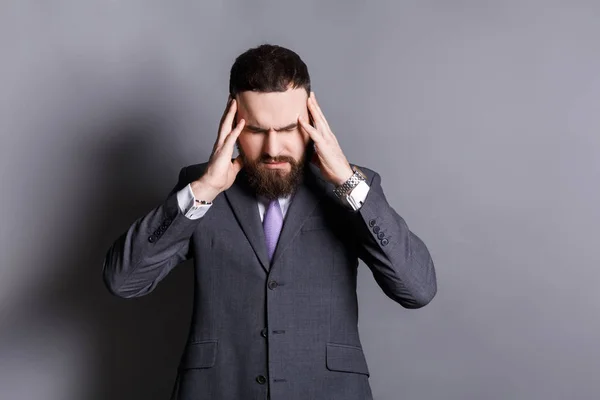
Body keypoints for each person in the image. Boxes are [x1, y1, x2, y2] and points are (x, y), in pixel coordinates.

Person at [103, 43, 437, 400]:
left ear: (311, 119)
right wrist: (203, 191)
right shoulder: (200, 189)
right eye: (258, 131)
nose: (273, 148)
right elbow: (125, 281)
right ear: (233, 122)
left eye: (289, 129)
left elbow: (417, 289)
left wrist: (346, 181)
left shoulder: (353, 187)